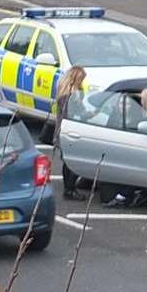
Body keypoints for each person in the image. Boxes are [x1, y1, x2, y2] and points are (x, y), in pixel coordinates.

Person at [50, 65, 88, 199]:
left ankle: (70, 188)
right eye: (81, 79)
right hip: (69, 131)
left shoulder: (66, 93)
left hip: (64, 130)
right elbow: (71, 114)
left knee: (68, 161)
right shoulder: (69, 96)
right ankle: (69, 190)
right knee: (71, 162)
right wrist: (87, 115)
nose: (82, 83)